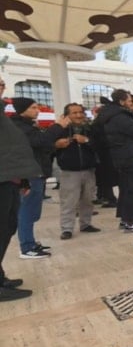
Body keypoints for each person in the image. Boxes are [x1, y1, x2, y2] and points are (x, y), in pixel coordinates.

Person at [10, 97, 69, 258]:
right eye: (33, 108)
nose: (37, 111)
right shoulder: (20, 127)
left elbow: (40, 145)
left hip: (36, 172)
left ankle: (30, 242)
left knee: (32, 211)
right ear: (23, 110)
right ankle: (27, 247)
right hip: (29, 174)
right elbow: (39, 141)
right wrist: (58, 126)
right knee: (27, 211)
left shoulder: (27, 125)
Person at [1, 89, 42, 300]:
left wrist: (23, 177)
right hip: (3, 178)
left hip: (10, 177)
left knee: (7, 227)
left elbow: (13, 149)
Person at [93, 89, 133, 233]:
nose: (132, 103)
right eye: (130, 101)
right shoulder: (120, 116)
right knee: (132, 190)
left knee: (126, 189)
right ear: (122, 101)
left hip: (122, 156)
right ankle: (129, 222)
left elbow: (128, 130)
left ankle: (126, 219)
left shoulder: (113, 115)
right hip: (129, 156)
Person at [51, 103, 101, 240]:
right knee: (69, 201)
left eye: (80, 112)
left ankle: (86, 224)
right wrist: (56, 145)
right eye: (74, 113)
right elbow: (47, 146)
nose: (78, 115)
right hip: (69, 171)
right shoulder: (60, 130)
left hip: (89, 170)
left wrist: (86, 140)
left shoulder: (90, 129)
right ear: (67, 115)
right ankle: (67, 228)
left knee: (88, 199)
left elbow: (100, 145)